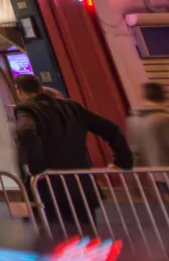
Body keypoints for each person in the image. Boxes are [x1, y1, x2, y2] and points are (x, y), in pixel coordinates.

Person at [14, 73, 132, 226]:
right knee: (86, 229)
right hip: (81, 181)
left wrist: (38, 169)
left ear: (19, 91)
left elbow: (27, 132)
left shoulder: (27, 109)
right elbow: (111, 129)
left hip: (50, 186)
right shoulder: (73, 107)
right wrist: (123, 161)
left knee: (54, 233)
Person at [126, 82, 169, 170]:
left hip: (154, 173)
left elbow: (135, 150)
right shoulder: (164, 118)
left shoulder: (133, 119)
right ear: (164, 97)